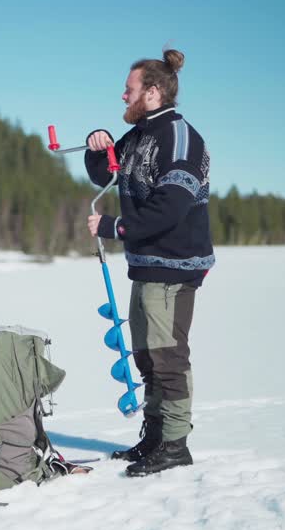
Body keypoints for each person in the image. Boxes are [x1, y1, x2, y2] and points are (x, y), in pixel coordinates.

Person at [84, 49, 214, 477]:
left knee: (167, 356)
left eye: (130, 89)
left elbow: (171, 208)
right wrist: (97, 144)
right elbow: (104, 174)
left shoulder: (179, 137)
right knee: (146, 356)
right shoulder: (140, 135)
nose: (123, 95)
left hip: (175, 266)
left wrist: (115, 227)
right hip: (145, 266)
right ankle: (156, 436)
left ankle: (176, 444)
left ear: (153, 92)